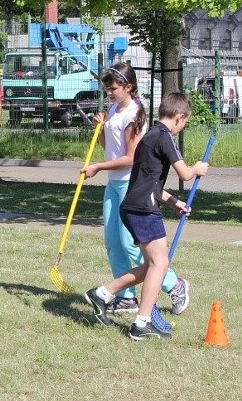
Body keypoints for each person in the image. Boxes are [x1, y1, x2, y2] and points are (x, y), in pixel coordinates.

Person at [84, 91, 209, 340]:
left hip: (133, 205)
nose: (181, 127)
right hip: (143, 209)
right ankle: (142, 324)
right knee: (160, 264)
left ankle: (103, 293)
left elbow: (149, 181)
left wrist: (173, 201)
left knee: (153, 265)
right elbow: (185, 174)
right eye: (184, 123)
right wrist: (197, 168)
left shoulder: (149, 136)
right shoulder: (165, 137)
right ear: (179, 117)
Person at [81, 63, 192, 316]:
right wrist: (100, 128)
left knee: (131, 245)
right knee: (112, 243)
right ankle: (126, 297)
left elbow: (131, 157)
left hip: (131, 185)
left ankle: (174, 285)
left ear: (128, 87)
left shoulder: (134, 114)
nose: (108, 93)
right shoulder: (114, 110)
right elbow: (109, 145)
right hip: (113, 183)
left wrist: (98, 167)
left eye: (113, 89)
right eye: (106, 89)